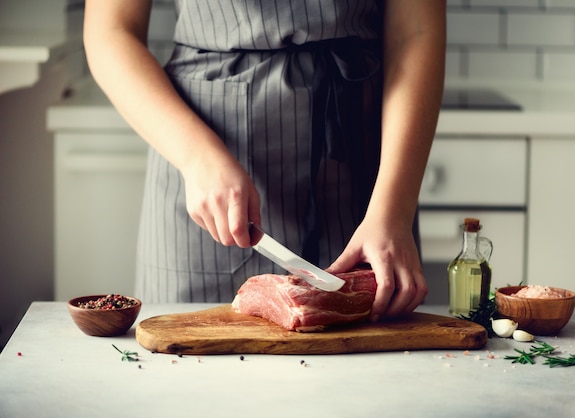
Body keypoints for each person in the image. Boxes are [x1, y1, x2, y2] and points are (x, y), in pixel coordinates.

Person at [83, 0, 446, 322]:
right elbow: (110, 31)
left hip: (366, 178)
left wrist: (393, 212)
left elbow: (416, 31)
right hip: (202, 160)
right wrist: (197, 158)